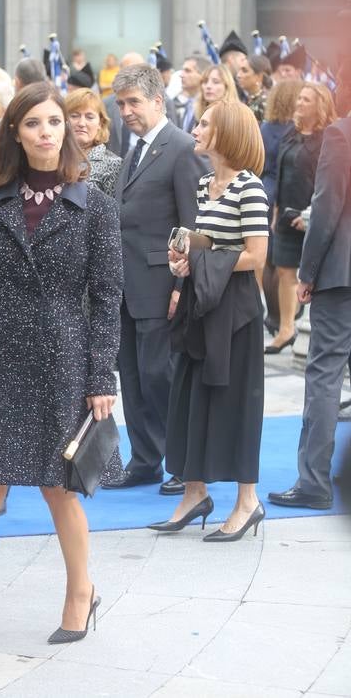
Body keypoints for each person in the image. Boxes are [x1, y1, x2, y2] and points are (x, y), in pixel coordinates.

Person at [0, 81, 122, 679]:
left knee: (59, 487)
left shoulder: (93, 203)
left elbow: (105, 296)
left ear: (67, 130)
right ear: (14, 133)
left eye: (55, 122)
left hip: (64, 355)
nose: (47, 131)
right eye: (34, 123)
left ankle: (81, 593)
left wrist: (101, 376)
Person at [150, 99, 269, 541]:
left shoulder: (249, 188)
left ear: (226, 133)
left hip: (236, 310)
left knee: (237, 402)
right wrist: (185, 256)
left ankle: (248, 502)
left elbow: (256, 256)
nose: (195, 129)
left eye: (204, 123)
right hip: (202, 303)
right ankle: (194, 493)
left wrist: (201, 262)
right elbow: (209, 242)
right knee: (189, 397)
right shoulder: (204, 185)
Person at [103, 64, 207, 497]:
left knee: (160, 375)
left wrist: (181, 288)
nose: (125, 111)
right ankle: (145, 460)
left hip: (162, 284)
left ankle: (182, 463)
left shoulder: (181, 148)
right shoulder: (134, 149)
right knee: (133, 376)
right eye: (121, 103)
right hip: (126, 286)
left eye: (134, 102)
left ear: (158, 101)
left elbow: (193, 225)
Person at [268, 111, 351, 510]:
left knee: (325, 373)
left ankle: (314, 481)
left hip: (342, 273)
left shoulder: (341, 133)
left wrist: (307, 271)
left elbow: (327, 205)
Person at [267, 83, 337, 353]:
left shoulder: (327, 138)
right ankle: (286, 329)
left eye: (305, 100)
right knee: (284, 270)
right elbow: (280, 172)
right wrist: (275, 211)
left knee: (313, 274)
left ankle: (317, 332)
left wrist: (309, 214)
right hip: (285, 212)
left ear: (319, 104)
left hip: (312, 214)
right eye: (299, 98)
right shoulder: (290, 133)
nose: (299, 103)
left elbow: (326, 181)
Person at [259, 81, 302, 334]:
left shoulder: (265, 127)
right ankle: (283, 319)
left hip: (265, 188)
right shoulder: (294, 129)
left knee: (268, 261)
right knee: (283, 261)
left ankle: (273, 317)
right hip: (282, 193)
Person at [65, 88, 122, 197]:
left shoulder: (113, 163)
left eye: (89, 117)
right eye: (74, 116)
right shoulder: (53, 157)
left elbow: (115, 211)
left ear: (100, 123)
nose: (81, 123)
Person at [173, 55, 211, 132]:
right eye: (183, 70)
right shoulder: (188, 104)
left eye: (187, 71)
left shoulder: (209, 107)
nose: (181, 75)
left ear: (202, 75)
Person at [237, 54, 272, 122]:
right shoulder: (247, 99)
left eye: (244, 71)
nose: (238, 75)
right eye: (239, 70)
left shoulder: (265, 103)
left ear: (259, 77)